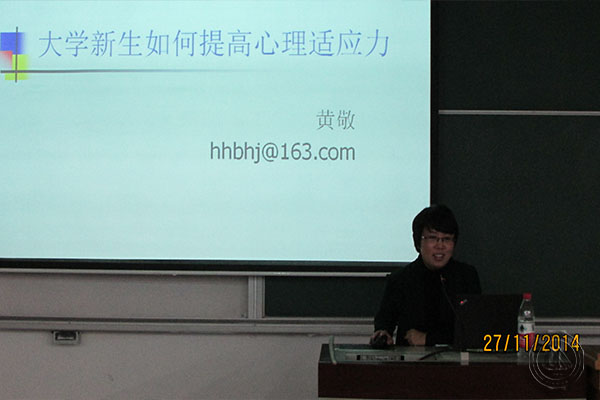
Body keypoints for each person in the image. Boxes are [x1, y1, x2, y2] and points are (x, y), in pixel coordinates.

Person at [370, 205, 481, 347]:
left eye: (447, 239)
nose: (440, 246)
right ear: (418, 242)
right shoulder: (401, 280)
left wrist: (428, 339)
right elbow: (384, 324)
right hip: (412, 360)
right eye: (433, 238)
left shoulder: (466, 276)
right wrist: (382, 334)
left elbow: (473, 331)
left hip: (456, 360)